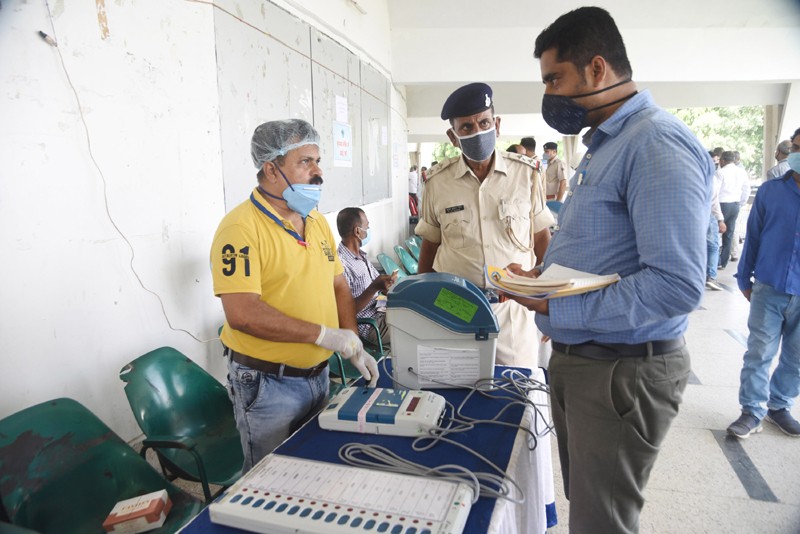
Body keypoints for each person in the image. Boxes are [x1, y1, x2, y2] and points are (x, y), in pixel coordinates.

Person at [505, 8, 713, 533]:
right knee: (589, 505)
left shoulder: (655, 143)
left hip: (622, 370)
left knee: (603, 520)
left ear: (597, 69)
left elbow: (676, 284)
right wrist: (541, 279)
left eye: (555, 79)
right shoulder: (607, 144)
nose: (549, 93)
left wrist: (559, 303)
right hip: (584, 359)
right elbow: (603, 251)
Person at [211, 119, 378, 473]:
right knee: (271, 479)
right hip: (268, 385)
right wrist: (324, 335)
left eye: (318, 161)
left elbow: (337, 286)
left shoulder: (315, 221)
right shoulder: (240, 230)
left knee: (315, 468)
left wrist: (351, 341)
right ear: (271, 169)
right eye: (305, 162)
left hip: (317, 376)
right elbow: (242, 313)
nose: (318, 173)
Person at [415, 82, 554, 370]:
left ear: (497, 125)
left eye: (484, 122)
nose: (477, 132)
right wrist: (425, 307)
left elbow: (543, 240)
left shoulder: (526, 175)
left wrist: (552, 306)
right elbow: (429, 248)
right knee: (458, 397)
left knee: (518, 396)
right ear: (453, 137)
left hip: (513, 311)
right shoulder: (437, 183)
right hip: (455, 311)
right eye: (466, 127)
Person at [728, 127, 800, 439]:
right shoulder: (771, 191)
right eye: (797, 147)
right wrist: (744, 277)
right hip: (769, 286)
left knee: (796, 357)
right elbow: (753, 236)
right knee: (759, 351)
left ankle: (779, 406)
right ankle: (752, 410)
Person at [336, 207, 397, 345]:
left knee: (417, 314)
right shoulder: (341, 264)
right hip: (370, 326)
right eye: (367, 225)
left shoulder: (360, 255)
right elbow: (344, 312)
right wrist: (374, 287)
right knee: (416, 326)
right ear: (358, 231)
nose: (369, 229)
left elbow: (380, 288)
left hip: (381, 311)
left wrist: (387, 285)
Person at [716, 151, 750, 269]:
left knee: (716, 232)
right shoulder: (741, 172)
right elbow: (746, 189)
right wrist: (741, 203)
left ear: (723, 161)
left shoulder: (720, 172)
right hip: (735, 204)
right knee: (729, 233)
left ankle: (716, 261)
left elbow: (715, 191)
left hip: (722, 204)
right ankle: (724, 262)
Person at [706, 164, 726, 291]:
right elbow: (714, 202)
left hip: (689, 217)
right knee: (713, 247)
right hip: (707, 215)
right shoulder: (711, 179)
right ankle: (711, 277)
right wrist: (720, 220)